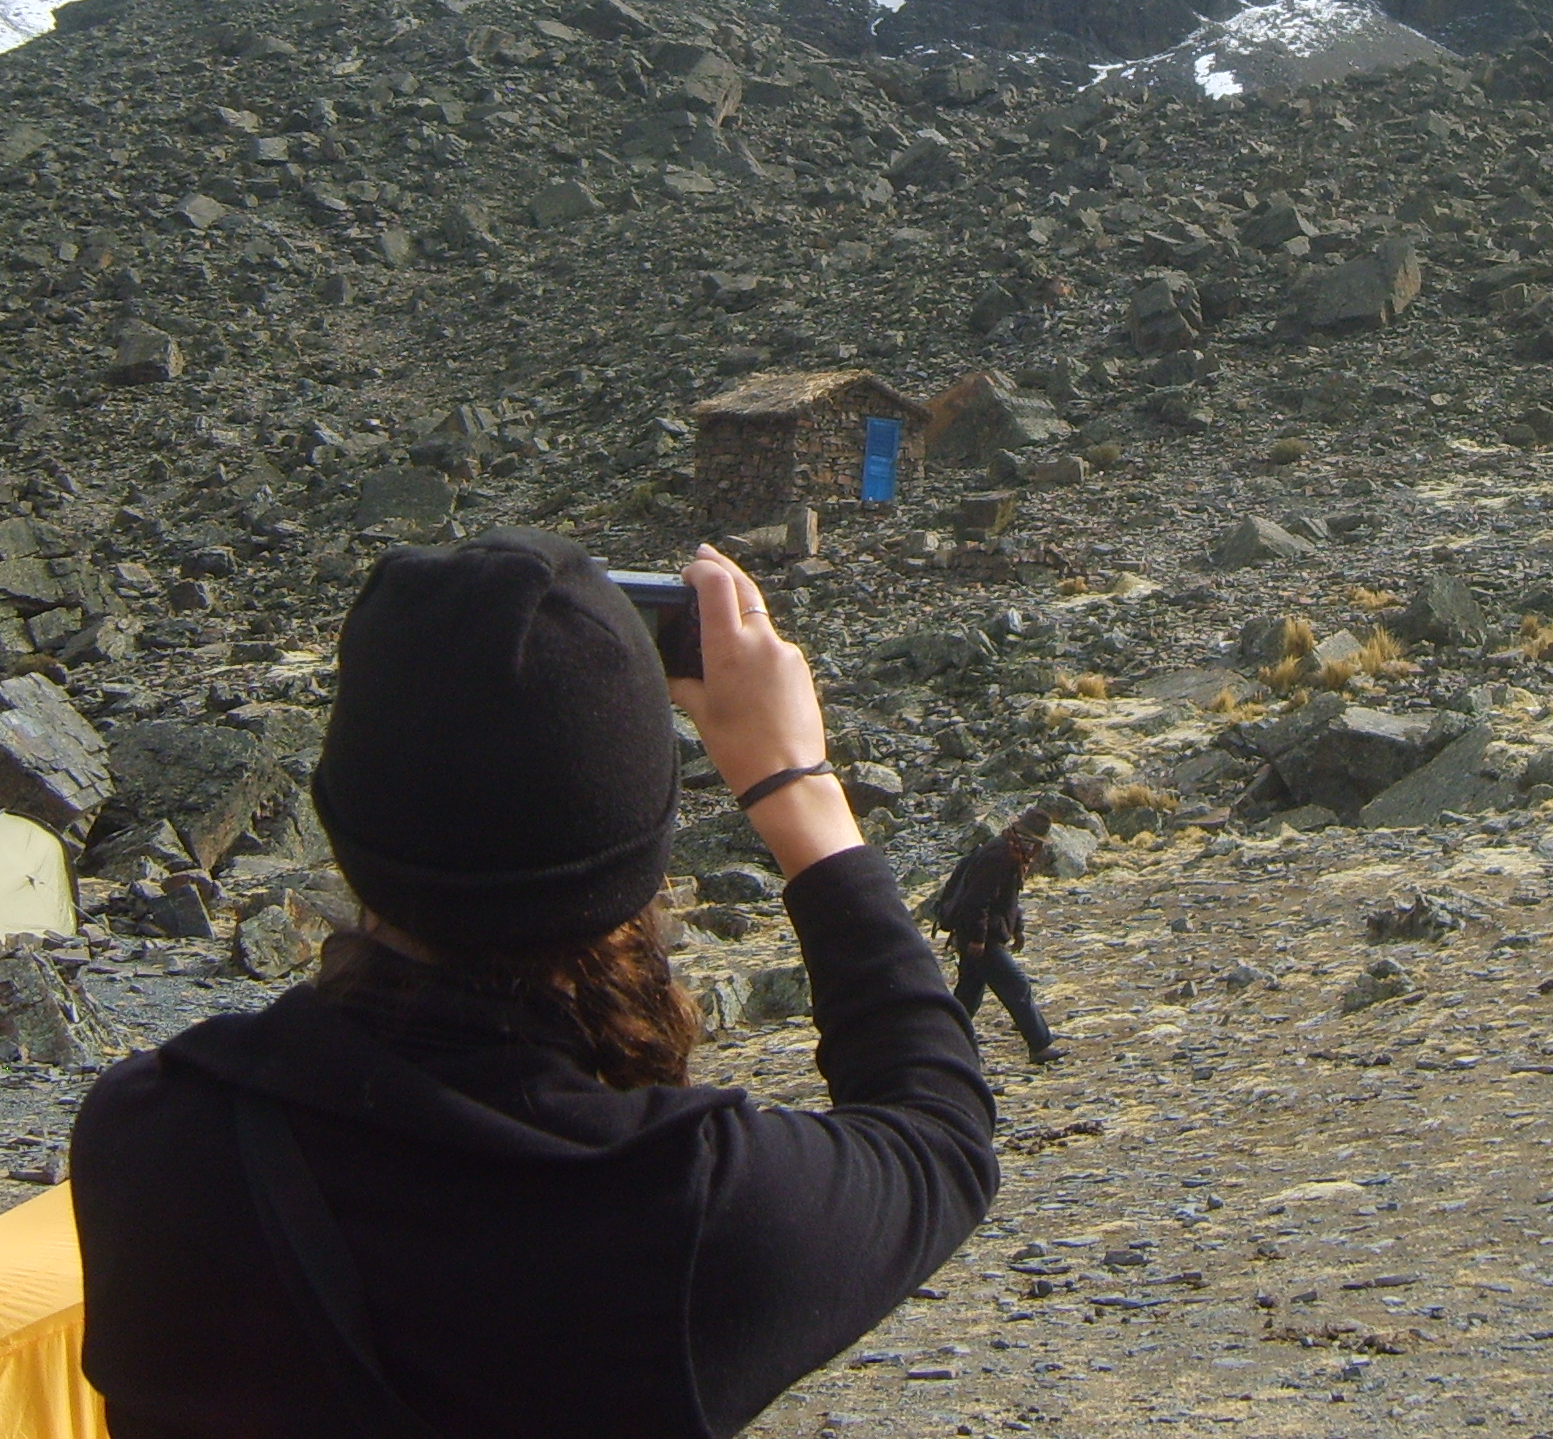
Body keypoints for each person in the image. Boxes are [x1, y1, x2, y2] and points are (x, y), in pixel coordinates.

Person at [70, 530, 996, 1438]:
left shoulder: (148, 1134)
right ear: (638, 849)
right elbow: (938, 1132)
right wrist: (799, 788)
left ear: (342, 822)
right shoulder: (693, 1210)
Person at [934, 807, 1059, 1066]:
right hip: (984, 940)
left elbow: (1007, 900)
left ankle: (942, 1045)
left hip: (979, 936)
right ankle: (1040, 1045)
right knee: (1017, 986)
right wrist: (978, 939)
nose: (1036, 849)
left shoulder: (1009, 853)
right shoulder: (999, 856)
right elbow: (977, 902)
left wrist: (1017, 928)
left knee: (967, 997)